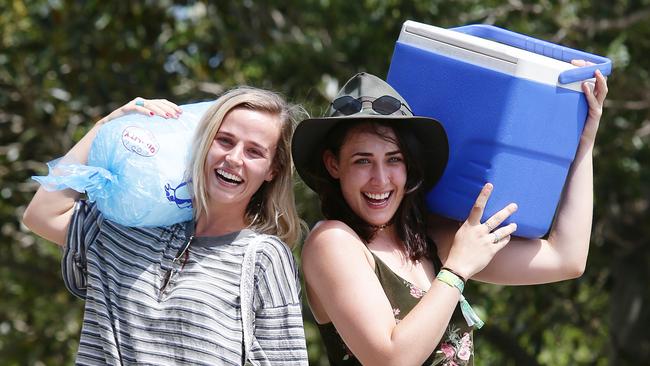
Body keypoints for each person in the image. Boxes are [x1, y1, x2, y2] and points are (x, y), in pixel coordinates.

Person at [292, 69, 607, 365]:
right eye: (363, 161)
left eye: (393, 159)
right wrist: (457, 269)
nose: (381, 178)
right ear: (333, 165)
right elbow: (391, 359)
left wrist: (584, 142)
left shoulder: (430, 236)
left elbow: (566, 258)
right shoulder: (332, 241)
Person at [23, 88, 309, 365]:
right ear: (202, 142)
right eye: (224, 140)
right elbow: (42, 214)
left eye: (254, 152)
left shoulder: (262, 257)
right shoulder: (131, 226)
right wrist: (107, 127)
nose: (234, 159)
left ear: (273, 170)